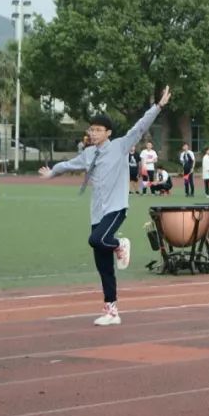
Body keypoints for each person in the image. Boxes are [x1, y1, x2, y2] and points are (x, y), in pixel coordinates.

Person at [37, 86, 170, 326]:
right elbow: (69, 164)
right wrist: (52, 173)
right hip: (97, 212)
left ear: (108, 132)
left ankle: (121, 243)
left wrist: (158, 106)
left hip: (116, 207)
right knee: (103, 264)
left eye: (99, 130)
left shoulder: (120, 145)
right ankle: (112, 310)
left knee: (97, 240)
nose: (94, 133)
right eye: (92, 129)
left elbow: (140, 126)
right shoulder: (89, 154)